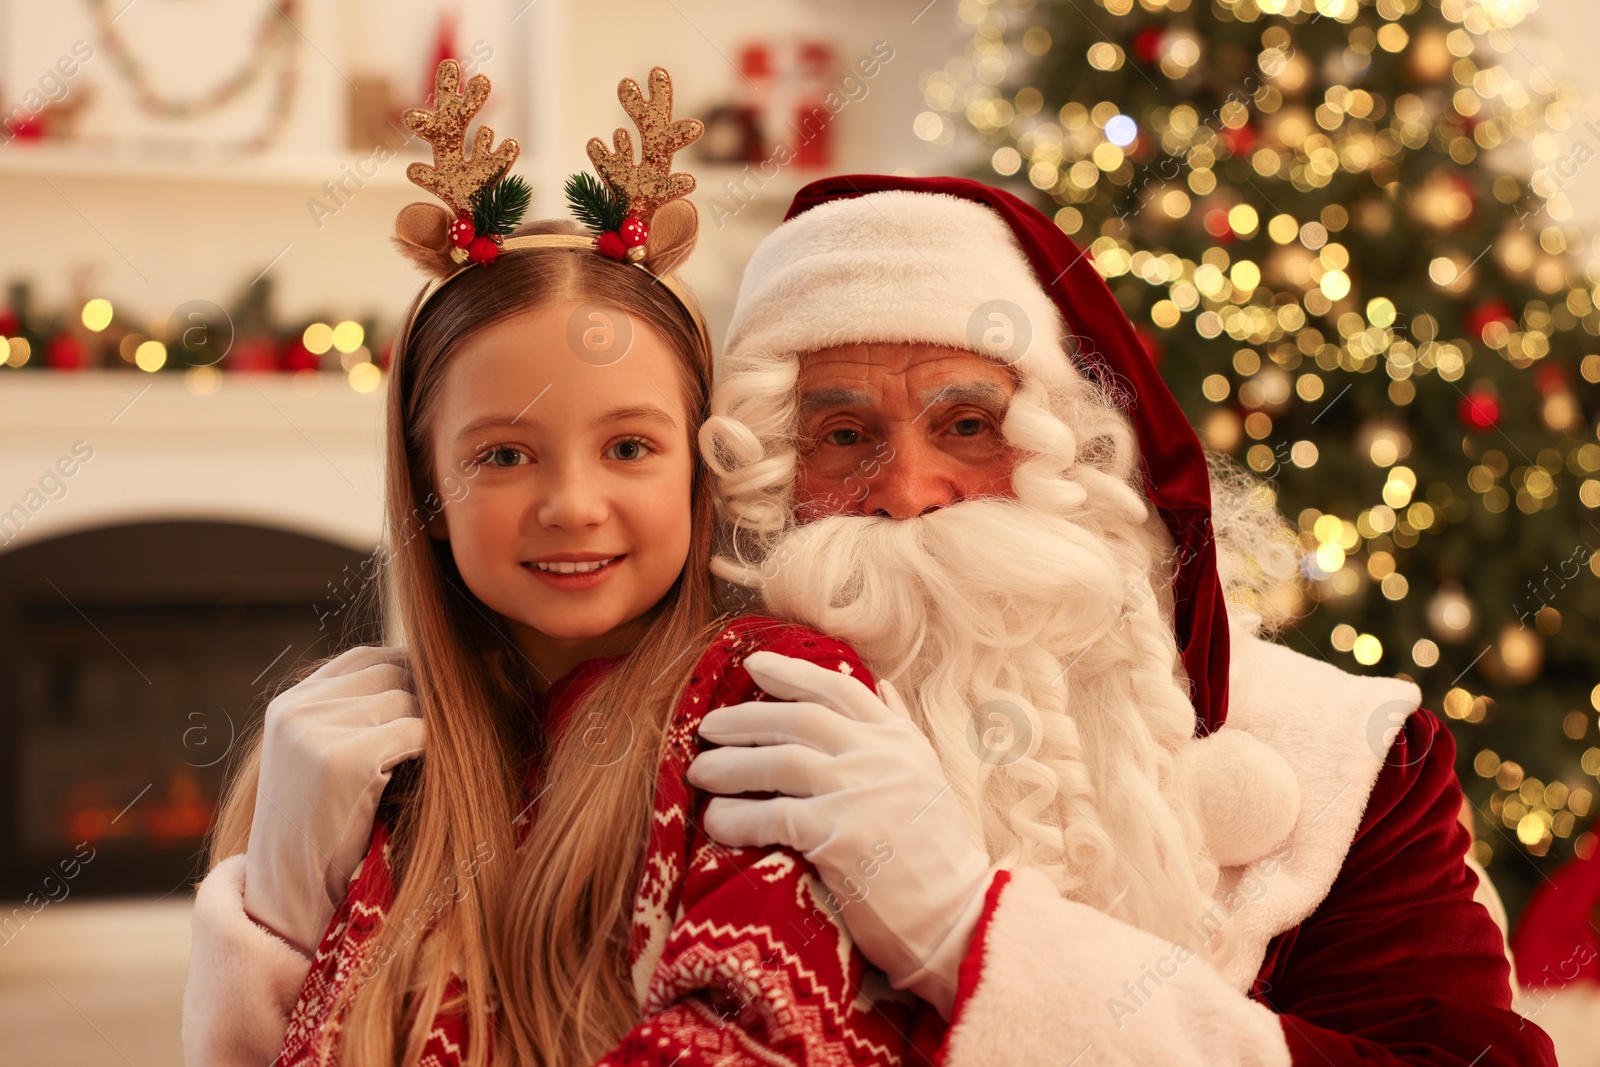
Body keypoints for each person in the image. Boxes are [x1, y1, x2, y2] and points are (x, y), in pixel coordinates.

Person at [682, 175, 1560, 1064]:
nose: (909, 496)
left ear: (1073, 455)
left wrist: (971, 941)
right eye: (841, 436)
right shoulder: (679, 730)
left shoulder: (1348, 757)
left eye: (969, 425)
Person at [182, 64, 953, 1067]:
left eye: (629, 446)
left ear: (699, 462)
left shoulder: (769, 706)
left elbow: (760, 1033)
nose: (572, 504)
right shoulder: (366, 768)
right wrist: (275, 915)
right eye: (502, 454)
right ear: (428, 491)